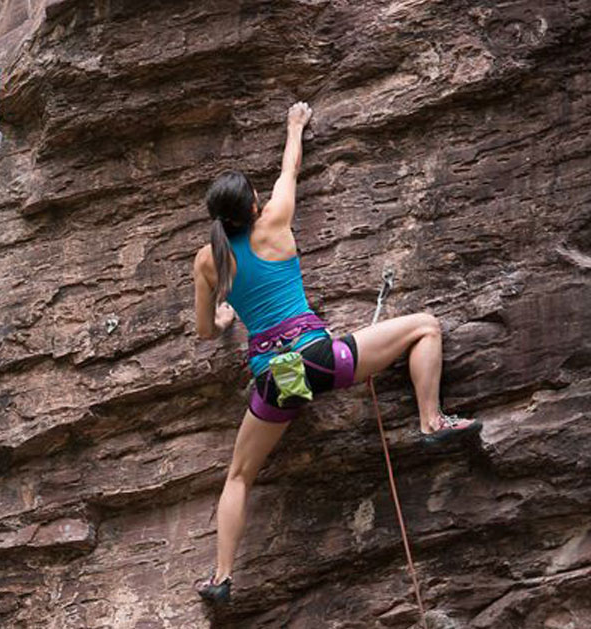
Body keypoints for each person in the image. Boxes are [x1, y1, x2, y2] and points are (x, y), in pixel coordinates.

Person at [191, 102, 481, 604]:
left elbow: (203, 330)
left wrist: (222, 319)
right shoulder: (276, 221)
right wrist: (294, 126)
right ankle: (431, 420)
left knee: (238, 475)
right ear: (254, 208)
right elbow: (290, 169)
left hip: (273, 382)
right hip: (323, 360)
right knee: (426, 327)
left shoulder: (208, 260)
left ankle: (220, 578)